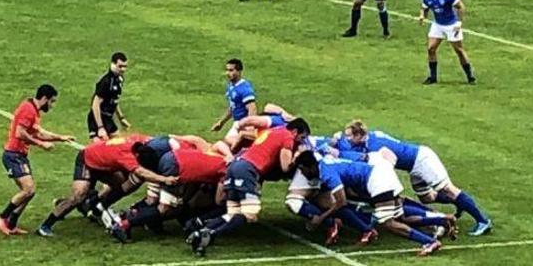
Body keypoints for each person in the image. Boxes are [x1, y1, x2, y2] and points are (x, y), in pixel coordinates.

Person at [339, 120, 492, 235]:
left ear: (359, 135)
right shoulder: (372, 136)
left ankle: (483, 221)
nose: (347, 139)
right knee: (427, 197)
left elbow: (390, 160)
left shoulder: (375, 145)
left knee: (449, 190)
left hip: (422, 160)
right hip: (413, 165)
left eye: (348, 136)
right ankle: (461, 204)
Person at [187, 119, 311, 256]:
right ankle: (210, 233)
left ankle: (199, 230)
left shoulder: (273, 130)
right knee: (250, 213)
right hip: (247, 170)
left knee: (233, 212)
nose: (301, 141)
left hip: (236, 165)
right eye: (302, 137)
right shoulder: (288, 137)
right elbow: (285, 166)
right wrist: (298, 156)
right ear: (294, 131)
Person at [295, 151, 444, 256]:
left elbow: (341, 202)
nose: (302, 173)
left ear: (310, 166)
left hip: (376, 180)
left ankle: (429, 242)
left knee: (387, 222)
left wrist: (320, 219)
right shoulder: (324, 162)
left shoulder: (327, 174)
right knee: (401, 217)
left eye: (302, 170)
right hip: (381, 173)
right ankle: (443, 220)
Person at [36, 134, 179, 237]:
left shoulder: (141, 140)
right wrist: (164, 179)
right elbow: (141, 172)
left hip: (103, 164)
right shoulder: (127, 155)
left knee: (125, 184)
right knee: (78, 196)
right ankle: (46, 225)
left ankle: (96, 205)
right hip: (87, 161)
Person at [0, 84, 76, 235]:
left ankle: (11, 224)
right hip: (13, 155)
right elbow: (20, 133)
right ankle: (3, 216)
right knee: (28, 189)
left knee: (29, 191)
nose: (52, 106)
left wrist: (60, 138)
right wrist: (41, 145)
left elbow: (39, 133)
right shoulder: (28, 110)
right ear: (44, 98)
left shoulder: (33, 110)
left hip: (20, 155)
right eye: (51, 101)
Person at [419, 0, 476, 84]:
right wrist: (422, 16)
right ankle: (433, 77)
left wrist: (459, 23)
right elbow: (424, 8)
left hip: (451, 25)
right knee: (431, 49)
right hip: (438, 25)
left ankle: (470, 76)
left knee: (459, 50)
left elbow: (460, 7)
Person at [210, 59, 258, 148]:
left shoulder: (245, 88)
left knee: (226, 145)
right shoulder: (231, 86)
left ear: (239, 71)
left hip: (242, 124)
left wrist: (250, 126)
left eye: (231, 70)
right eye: (227, 70)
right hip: (237, 123)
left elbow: (252, 108)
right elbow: (233, 107)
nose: (228, 73)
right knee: (228, 146)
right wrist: (221, 122)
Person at [88, 52, 130, 140]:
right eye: (120, 66)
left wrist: (121, 118)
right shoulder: (106, 82)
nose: (123, 69)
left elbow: (115, 100)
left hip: (108, 118)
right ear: (113, 64)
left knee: (117, 144)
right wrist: (100, 127)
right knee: (101, 148)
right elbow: (95, 105)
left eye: (125, 66)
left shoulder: (119, 79)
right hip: (98, 118)